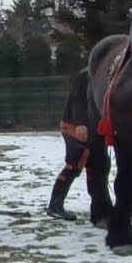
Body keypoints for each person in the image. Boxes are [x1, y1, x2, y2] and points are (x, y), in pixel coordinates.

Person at [48, 69, 91, 220]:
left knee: (96, 165)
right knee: (74, 164)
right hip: (73, 125)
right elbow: (77, 99)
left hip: (88, 126)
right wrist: (80, 123)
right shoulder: (85, 75)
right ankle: (55, 206)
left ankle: (100, 204)